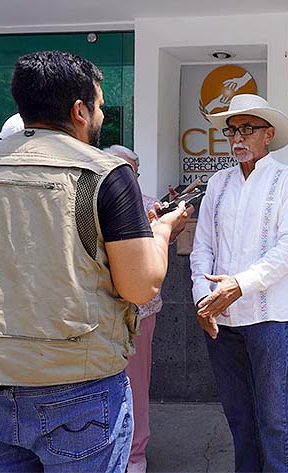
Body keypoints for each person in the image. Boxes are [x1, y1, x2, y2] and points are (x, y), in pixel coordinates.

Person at [0, 50, 189, 472]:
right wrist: (161, 233)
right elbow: (140, 287)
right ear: (79, 110)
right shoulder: (102, 173)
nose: (102, 114)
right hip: (77, 389)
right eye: (101, 105)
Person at [190, 94, 288, 473]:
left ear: (268, 134)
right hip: (221, 322)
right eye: (232, 130)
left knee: (274, 420)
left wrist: (237, 286)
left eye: (247, 129)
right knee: (239, 418)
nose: (237, 138)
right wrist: (202, 301)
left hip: (268, 320)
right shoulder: (219, 184)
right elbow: (201, 248)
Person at [103, 144, 190, 473]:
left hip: (140, 313)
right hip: (100, 313)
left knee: (136, 383)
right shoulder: (92, 202)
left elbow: (159, 251)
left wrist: (171, 228)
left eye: (128, 172)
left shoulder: (149, 206)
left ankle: (136, 453)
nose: (121, 178)